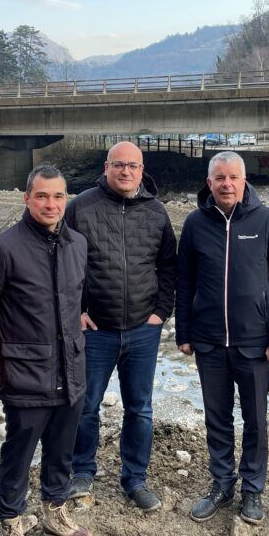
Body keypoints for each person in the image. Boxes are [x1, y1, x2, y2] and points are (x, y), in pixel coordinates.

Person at [0, 165, 93, 536]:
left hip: (72, 367)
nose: (50, 204)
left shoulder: (78, 243)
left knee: (62, 449)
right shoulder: (2, 247)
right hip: (26, 371)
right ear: (26, 198)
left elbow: (77, 299)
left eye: (58, 197)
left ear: (67, 200)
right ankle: (12, 526)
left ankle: (55, 512)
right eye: (42, 196)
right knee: (19, 453)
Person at [176, 151, 269, 525]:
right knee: (217, 417)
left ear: (244, 181)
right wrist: (184, 331)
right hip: (209, 341)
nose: (227, 184)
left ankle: (252, 490)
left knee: (256, 420)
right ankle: (221, 483)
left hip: (255, 343)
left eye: (233, 177)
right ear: (209, 183)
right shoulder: (196, 224)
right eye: (219, 178)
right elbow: (185, 282)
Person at [65, 141, 177, 512]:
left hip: (144, 329)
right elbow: (61, 263)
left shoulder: (157, 213)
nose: (125, 172)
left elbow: (168, 267)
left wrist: (161, 311)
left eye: (132, 166)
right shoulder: (80, 208)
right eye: (118, 165)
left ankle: (135, 478)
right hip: (96, 330)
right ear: (106, 167)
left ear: (142, 171)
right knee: (86, 406)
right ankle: (82, 472)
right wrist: (75, 311)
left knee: (140, 409)